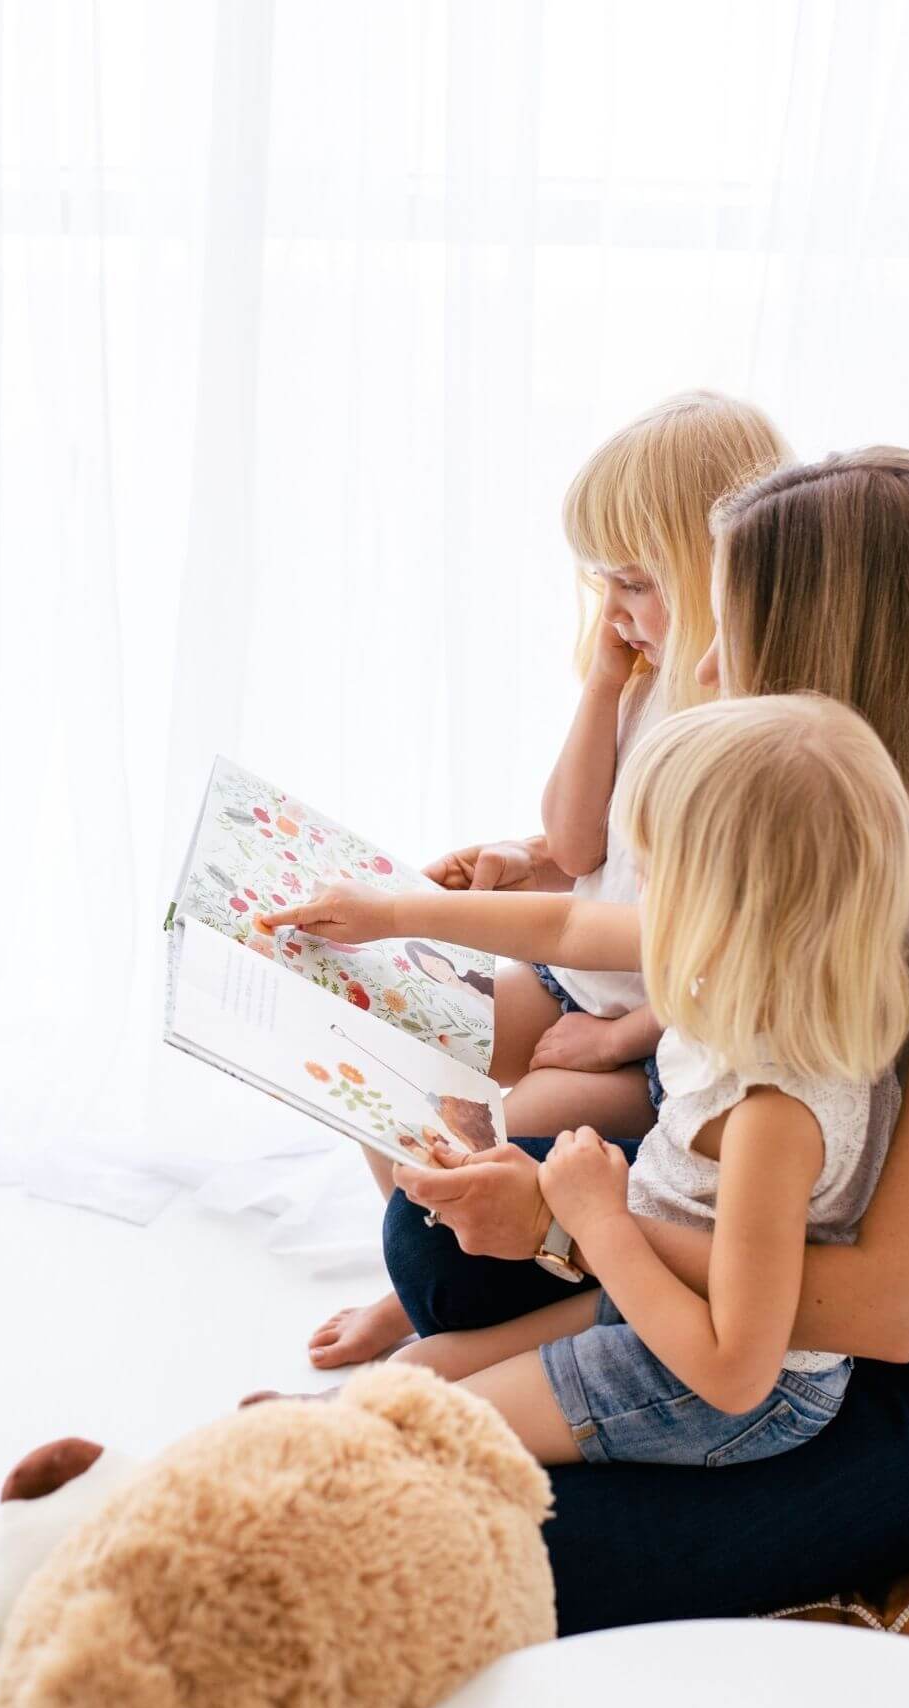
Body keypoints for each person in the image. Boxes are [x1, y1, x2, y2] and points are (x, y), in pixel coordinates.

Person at [379, 447, 909, 1632]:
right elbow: (602, 914)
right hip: (778, 1268)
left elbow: (895, 1310)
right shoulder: (813, 828)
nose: (703, 662)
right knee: (435, 1250)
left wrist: (573, 1230)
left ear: (830, 658)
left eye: (734, 627)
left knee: (511, 1549)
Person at [266, 695, 909, 1469]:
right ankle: (315, 1435)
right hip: (660, 1295)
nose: (636, 896)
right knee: (417, 1372)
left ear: (726, 911)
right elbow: (566, 928)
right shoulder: (763, 967)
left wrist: (593, 1218)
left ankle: (303, 1465)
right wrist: (396, 913)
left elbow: (735, 1372)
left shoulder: (774, 1115)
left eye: (655, 874)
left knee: (415, 1433)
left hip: (725, 1381)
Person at [309, 391, 789, 1370]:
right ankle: (419, 1289)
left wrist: (622, 1035)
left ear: (712, 570)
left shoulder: (754, 725)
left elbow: (748, 946)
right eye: (599, 584)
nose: (613, 610)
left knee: (499, 1144)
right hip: (582, 985)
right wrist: (603, 687)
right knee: (383, 1050)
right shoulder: (648, 679)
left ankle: (445, 1298)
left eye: (634, 582)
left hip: (668, 1034)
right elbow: (579, 842)